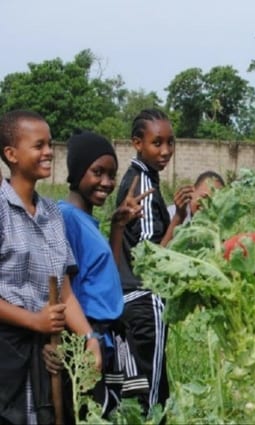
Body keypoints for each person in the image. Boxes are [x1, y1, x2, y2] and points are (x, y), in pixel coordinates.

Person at [0, 110, 101, 424]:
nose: (48, 152)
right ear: (11, 154)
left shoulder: (52, 214)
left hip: (46, 354)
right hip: (6, 354)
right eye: (38, 145)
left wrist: (89, 338)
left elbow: (65, 292)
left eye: (50, 144)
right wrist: (33, 320)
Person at [42, 131, 152, 420]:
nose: (106, 182)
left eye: (112, 174)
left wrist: (117, 228)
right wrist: (83, 339)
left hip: (105, 340)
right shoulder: (66, 219)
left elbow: (105, 279)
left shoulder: (86, 220)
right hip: (87, 340)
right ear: (77, 172)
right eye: (97, 172)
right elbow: (61, 290)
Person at [111, 109, 193, 414]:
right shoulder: (142, 186)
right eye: (157, 143)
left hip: (131, 303)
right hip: (145, 302)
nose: (166, 151)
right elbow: (150, 259)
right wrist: (179, 219)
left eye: (170, 143)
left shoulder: (142, 179)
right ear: (137, 143)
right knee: (153, 395)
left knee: (139, 391)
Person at [167, 170, 255, 284]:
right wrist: (178, 218)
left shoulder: (219, 222)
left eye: (214, 203)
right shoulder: (172, 214)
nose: (207, 205)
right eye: (204, 197)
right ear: (192, 192)